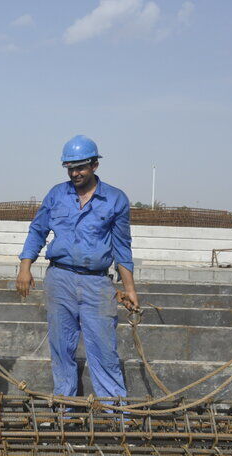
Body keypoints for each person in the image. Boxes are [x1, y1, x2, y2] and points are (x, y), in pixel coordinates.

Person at [16, 135, 139, 399]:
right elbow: (38, 231)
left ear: (94, 165)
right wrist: (25, 267)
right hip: (59, 279)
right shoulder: (57, 195)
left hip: (97, 283)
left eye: (80, 167)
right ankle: (65, 408)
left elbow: (122, 248)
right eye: (70, 168)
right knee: (61, 348)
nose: (75, 173)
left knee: (104, 349)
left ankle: (115, 411)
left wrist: (129, 289)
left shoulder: (115, 199)